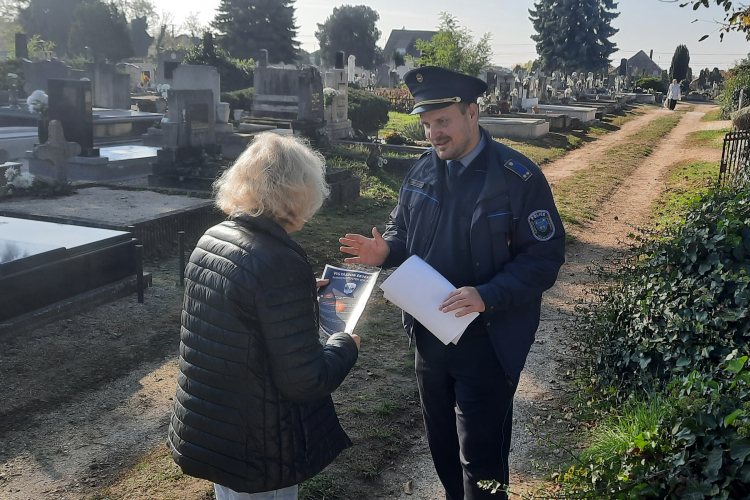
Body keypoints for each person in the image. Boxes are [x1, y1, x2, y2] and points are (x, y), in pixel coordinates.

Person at [339, 66, 565, 500]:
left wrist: (486, 295)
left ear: (472, 113)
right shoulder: (423, 171)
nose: (433, 134)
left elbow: (544, 257)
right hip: (429, 333)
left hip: (487, 340)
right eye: (426, 124)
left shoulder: (519, 178)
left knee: (481, 458)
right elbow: (401, 227)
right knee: (441, 444)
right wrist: (387, 250)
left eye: (442, 121)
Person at [168, 133, 360, 500]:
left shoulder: (214, 237)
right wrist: (345, 345)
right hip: (261, 439)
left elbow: (239, 316)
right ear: (300, 193)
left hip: (217, 423)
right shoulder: (279, 261)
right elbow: (305, 379)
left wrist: (296, 295)